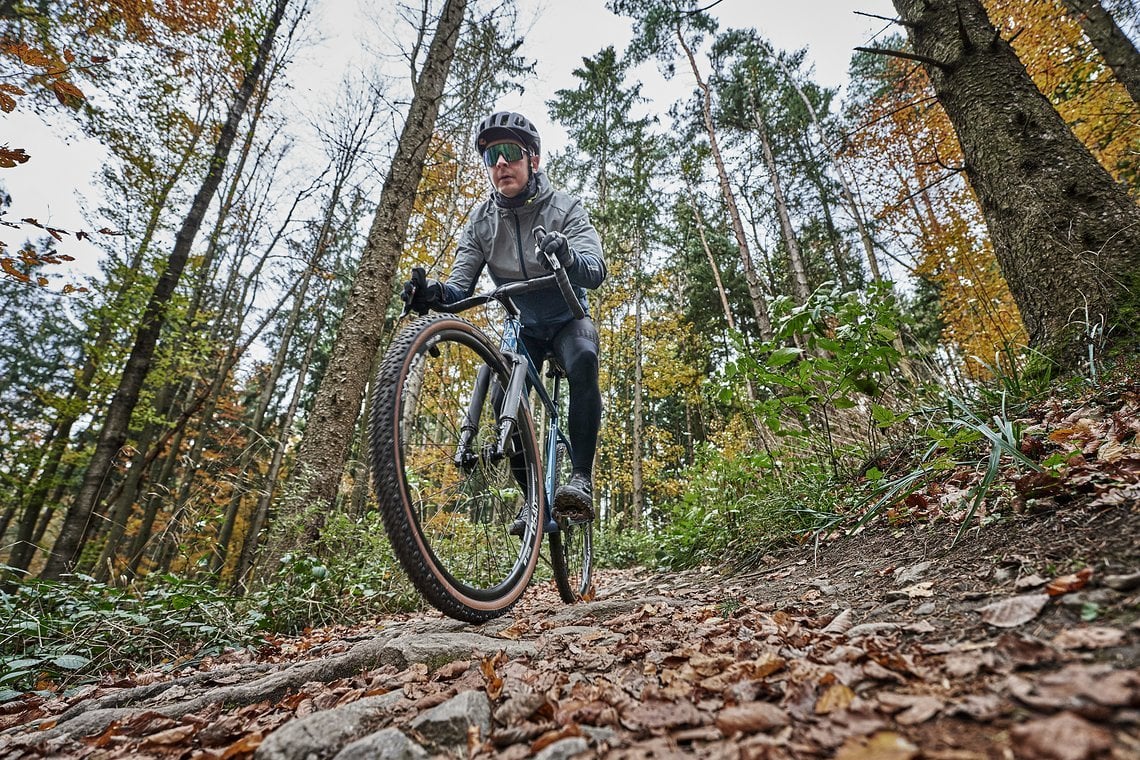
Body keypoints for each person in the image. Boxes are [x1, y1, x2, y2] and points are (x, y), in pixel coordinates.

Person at [402, 111, 606, 527]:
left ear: (533, 160)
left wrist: (567, 255)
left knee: (584, 359)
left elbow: (595, 269)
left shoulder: (565, 207)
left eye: (510, 152)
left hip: (568, 316)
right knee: (499, 394)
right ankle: (535, 501)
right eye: (492, 154)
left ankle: (580, 479)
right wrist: (434, 295)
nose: (500, 163)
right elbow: (461, 286)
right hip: (524, 325)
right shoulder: (481, 222)